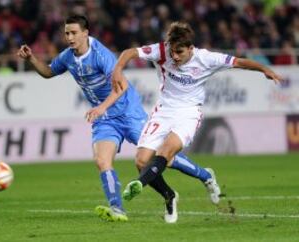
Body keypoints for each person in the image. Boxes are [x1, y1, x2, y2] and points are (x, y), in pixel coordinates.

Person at [18, 15, 220, 223]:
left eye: (74, 33)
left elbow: (121, 87)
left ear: (86, 33)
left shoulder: (101, 55)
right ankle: (119, 208)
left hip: (128, 113)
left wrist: (101, 107)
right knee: (102, 160)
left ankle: (205, 176)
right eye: (67, 33)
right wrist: (31, 59)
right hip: (105, 120)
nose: (69, 37)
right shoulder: (68, 57)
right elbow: (49, 72)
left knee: (163, 157)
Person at [87, 21, 282, 223]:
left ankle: (138, 184)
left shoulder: (206, 58)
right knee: (142, 161)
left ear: (191, 48)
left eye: (180, 52)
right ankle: (170, 195)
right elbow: (129, 52)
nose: (175, 57)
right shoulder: (162, 51)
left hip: (188, 113)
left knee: (166, 151)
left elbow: (240, 62)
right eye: (173, 52)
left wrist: (264, 69)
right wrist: (118, 69)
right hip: (163, 111)